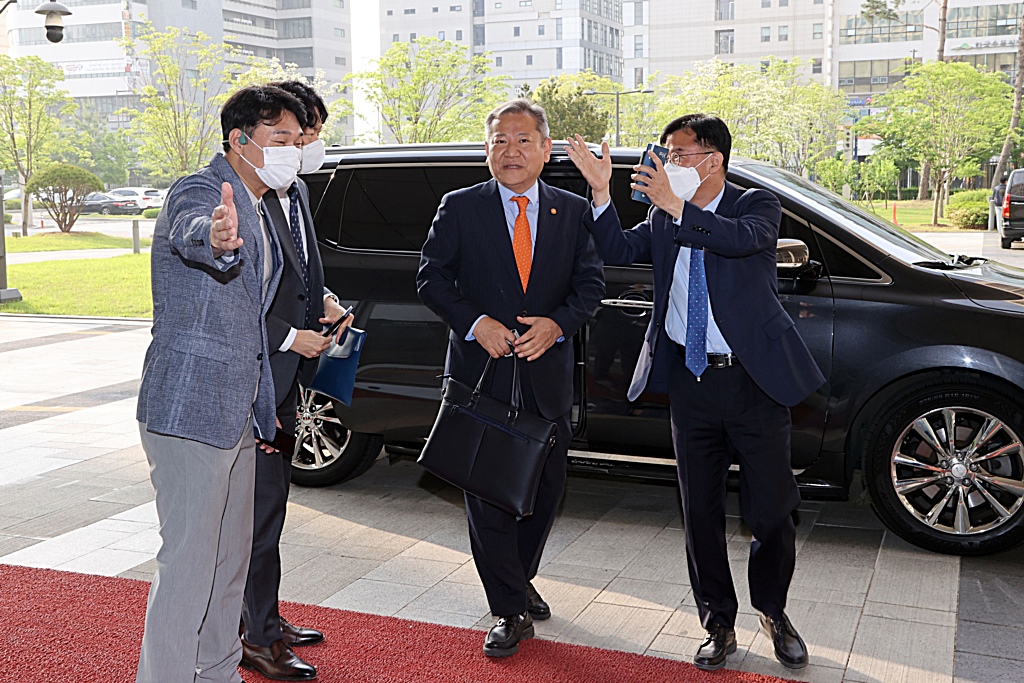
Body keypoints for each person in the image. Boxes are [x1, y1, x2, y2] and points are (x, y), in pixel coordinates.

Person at [565, 114, 825, 672]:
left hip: (754, 380)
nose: (668, 163)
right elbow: (615, 246)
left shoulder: (754, 205)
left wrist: (679, 207)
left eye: (679, 154)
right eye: (666, 152)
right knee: (699, 509)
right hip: (690, 380)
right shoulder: (663, 215)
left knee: (772, 509)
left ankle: (774, 612)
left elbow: (739, 242)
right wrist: (600, 190)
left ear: (714, 160)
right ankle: (719, 621)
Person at [416, 99, 604, 658]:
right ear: (487, 149)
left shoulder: (570, 212)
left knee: (544, 490)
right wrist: (475, 324)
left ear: (546, 150)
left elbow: (590, 286)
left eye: (523, 140)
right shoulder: (460, 207)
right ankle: (508, 609)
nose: (511, 151)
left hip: (546, 378)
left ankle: (517, 577)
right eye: (500, 141)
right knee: (488, 493)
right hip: (481, 377)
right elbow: (431, 278)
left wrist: (558, 324)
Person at [135, 84, 306, 683]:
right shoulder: (205, 191)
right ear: (239, 142)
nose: (292, 150)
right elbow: (195, 232)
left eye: (296, 140)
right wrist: (216, 237)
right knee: (189, 564)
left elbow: (252, 325)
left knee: (230, 562)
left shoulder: (262, 204)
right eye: (278, 139)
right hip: (188, 409)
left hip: (236, 414)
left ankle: (216, 671)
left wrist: (263, 411)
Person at [239, 80, 351, 682]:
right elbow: (242, 296)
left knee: (272, 509)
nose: (307, 145)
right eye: (295, 135)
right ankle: (255, 638)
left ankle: (265, 618)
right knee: (257, 514)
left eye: (307, 134)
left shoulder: (295, 191)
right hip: (259, 375)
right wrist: (289, 335)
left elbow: (300, 271)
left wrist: (326, 301)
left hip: (290, 377)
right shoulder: (245, 198)